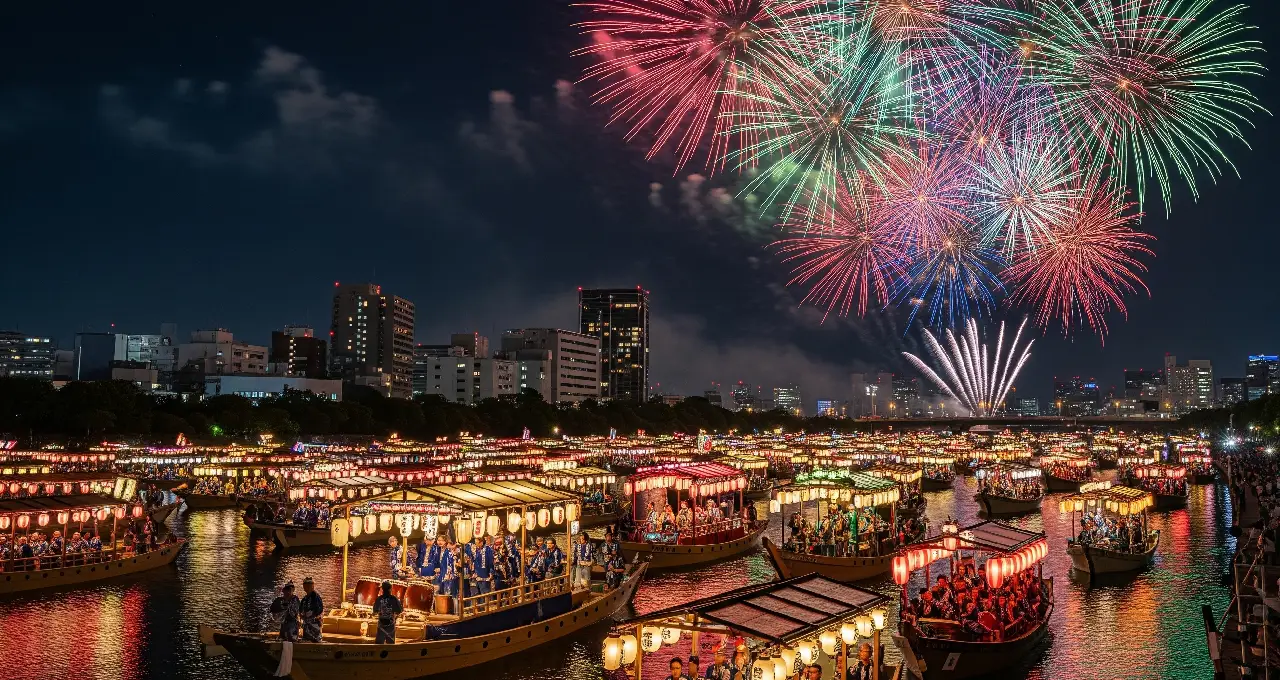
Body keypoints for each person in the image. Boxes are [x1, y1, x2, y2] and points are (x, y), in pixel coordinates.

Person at [299, 576, 324, 642]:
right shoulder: (305, 598)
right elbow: (300, 608)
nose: (307, 587)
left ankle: (316, 641)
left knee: (315, 638)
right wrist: (301, 614)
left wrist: (313, 614)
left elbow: (320, 609)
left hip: (314, 622)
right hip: (306, 622)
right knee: (306, 637)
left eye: (309, 586)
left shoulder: (316, 597)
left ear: (312, 586)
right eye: (305, 586)